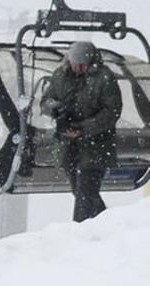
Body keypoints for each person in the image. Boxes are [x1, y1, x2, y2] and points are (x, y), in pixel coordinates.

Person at [41, 41, 122, 222]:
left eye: (83, 64)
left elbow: (112, 111)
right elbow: (46, 101)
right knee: (80, 191)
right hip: (69, 145)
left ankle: (78, 229)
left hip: (96, 146)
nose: (79, 68)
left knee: (85, 192)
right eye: (75, 64)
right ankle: (107, 223)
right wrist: (57, 110)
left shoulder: (104, 78)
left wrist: (84, 129)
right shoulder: (60, 76)